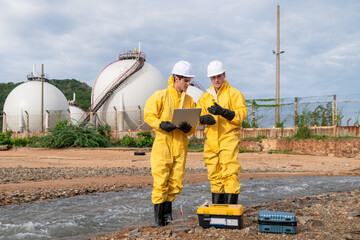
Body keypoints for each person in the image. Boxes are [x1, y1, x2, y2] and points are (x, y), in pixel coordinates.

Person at [144, 60, 197, 227]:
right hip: (163, 146)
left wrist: (189, 128)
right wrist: (160, 124)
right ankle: (158, 222)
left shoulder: (189, 100)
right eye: (185, 81)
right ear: (176, 78)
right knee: (161, 182)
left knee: (175, 183)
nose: (188, 84)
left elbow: (192, 127)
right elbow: (149, 115)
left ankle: (167, 217)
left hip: (180, 146)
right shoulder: (160, 96)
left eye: (189, 81)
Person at [196, 60, 248, 204]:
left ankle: (231, 210)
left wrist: (224, 112)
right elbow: (197, 117)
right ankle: (219, 209)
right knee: (214, 174)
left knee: (230, 172)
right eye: (213, 77)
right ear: (210, 78)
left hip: (228, 138)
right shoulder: (205, 97)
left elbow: (241, 115)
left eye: (219, 76)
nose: (216, 80)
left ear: (224, 75)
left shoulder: (234, 94)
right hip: (211, 141)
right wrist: (203, 118)